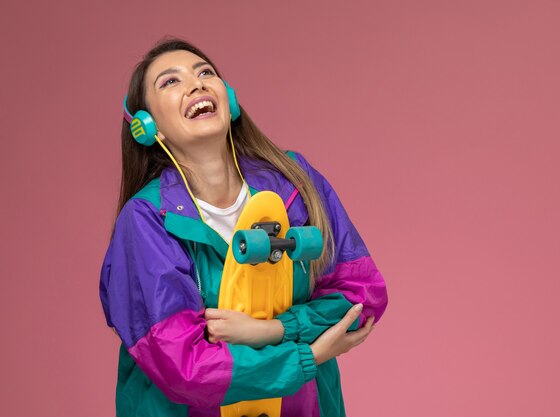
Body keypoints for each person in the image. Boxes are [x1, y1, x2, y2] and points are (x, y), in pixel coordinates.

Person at [99, 37, 388, 417]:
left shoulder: (293, 181)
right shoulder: (147, 220)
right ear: (148, 127)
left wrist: (274, 331)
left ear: (229, 101)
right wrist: (309, 355)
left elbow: (363, 294)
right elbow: (185, 366)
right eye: (170, 82)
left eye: (205, 72)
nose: (196, 83)